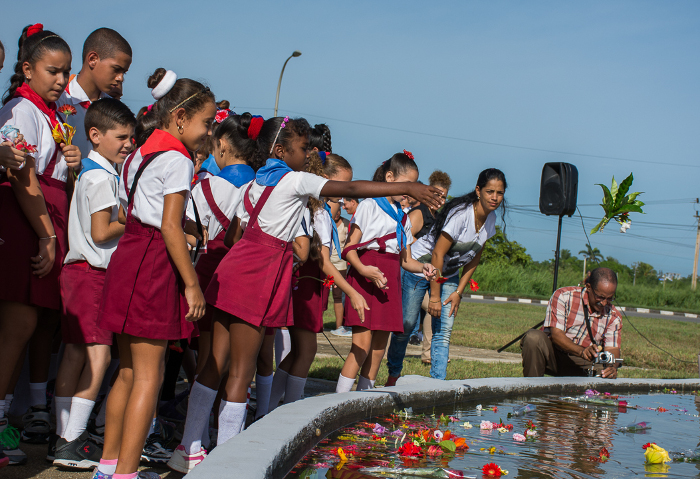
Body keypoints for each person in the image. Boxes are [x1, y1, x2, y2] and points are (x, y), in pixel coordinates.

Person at [177, 117, 442, 472]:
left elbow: (232, 240)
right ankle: (228, 462)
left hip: (231, 272)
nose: (309, 153)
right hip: (258, 276)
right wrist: (417, 190)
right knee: (241, 373)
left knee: (213, 365)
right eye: (304, 148)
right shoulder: (295, 179)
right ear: (282, 151)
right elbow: (348, 191)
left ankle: (188, 449)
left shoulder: (253, 184)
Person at [93, 68, 212, 479]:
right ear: (180, 118)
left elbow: (129, 213)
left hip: (128, 257)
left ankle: (108, 466)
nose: (210, 132)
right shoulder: (177, 158)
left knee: (127, 370)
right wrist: (192, 285)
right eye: (207, 123)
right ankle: (126, 473)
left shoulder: (140, 151)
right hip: (155, 263)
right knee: (150, 373)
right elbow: (170, 226)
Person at [0, 25, 81, 465]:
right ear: (28, 69)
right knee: (16, 326)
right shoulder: (22, 110)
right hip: (24, 219)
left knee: (29, 326)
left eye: (63, 73)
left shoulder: (51, 114)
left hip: (43, 215)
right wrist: (48, 235)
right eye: (52, 71)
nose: (58, 80)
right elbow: (22, 176)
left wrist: (72, 164)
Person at [167, 111, 262, 474]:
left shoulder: (205, 185)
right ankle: (223, 449)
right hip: (248, 280)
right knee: (240, 369)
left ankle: (192, 443)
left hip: (207, 275)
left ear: (221, 145)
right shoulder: (261, 188)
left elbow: (188, 230)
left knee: (209, 362)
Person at [53, 98, 135, 469]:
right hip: (94, 274)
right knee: (97, 357)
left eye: (131, 138)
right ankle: (73, 439)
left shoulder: (90, 172)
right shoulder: (102, 177)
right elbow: (103, 232)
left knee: (74, 354)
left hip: (78, 273)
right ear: (95, 136)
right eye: (121, 137)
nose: (128, 145)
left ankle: (64, 435)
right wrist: (134, 220)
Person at [386, 168, 506, 384]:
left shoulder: (491, 217)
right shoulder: (462, 215)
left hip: (447, 274)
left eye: (499, 193)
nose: (495, 197)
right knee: (406, 324)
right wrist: (434, 297)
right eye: (490, 192)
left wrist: (459, 291)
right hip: (422, 267)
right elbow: (437, 254)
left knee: (444, 328)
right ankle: (393, 375)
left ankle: (437, 384)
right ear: (478, 191)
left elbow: (475, 256)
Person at [267, 151, 366, 412]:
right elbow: (323, 261)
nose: (343, 193)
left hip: (306, 284)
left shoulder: (315, 208)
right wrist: (351, 293)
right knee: (307, 350)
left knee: (297, 351)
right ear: (324, 179)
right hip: (307, 285)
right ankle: (288, 409)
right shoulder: (319, 213)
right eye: (342, 184)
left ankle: (269, 406)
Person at [335, 152, 437, 394]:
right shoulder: (369, 205)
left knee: (379, 348)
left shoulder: (404, 218)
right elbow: (348, 248)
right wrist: (363, 269)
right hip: (365, 276)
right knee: (361, 346)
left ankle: (361, 401)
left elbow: (406, 260)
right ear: (389, 177)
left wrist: (423, 268)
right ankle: (336, 402)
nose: (408, 191)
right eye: (406, 185)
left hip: (389, 281)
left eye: (412, 187)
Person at [521, 267, 622, 379]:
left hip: (584, 362)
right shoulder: (564, 296)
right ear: (588, 287)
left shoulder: (614, 316)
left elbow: (612, 348)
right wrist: (582, 351)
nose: (604, 303)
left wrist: (612, 366)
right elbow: (557, 335)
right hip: (554, 354)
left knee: (604, 372)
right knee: (533, 338)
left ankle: (590, 393)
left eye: (609, 298)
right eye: (600, 297)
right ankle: (532, 389)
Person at [57, 28, 132, 158]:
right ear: (92, 59)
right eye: (116, 69)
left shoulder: (112, 107)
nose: (120, 78)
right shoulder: (61, 100)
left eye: (123, 72)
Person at [405, 170, 452, 358]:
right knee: (407, 320)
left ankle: (428, 354)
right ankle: (387, 354)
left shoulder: (439, 217)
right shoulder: (418, 213)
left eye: (444, 197)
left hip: (428, 273)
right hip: (410, 272)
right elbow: (403, 238)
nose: (440, 200)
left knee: (435, 308)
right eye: (437, 195)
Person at [329, 195, 352, 337]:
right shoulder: (325, 223)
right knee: (322, 295)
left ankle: (340, 326)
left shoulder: (346, 224)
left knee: (338, 296)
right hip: (326, 265)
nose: (337, 213)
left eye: (339, 211)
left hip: (341, 266)